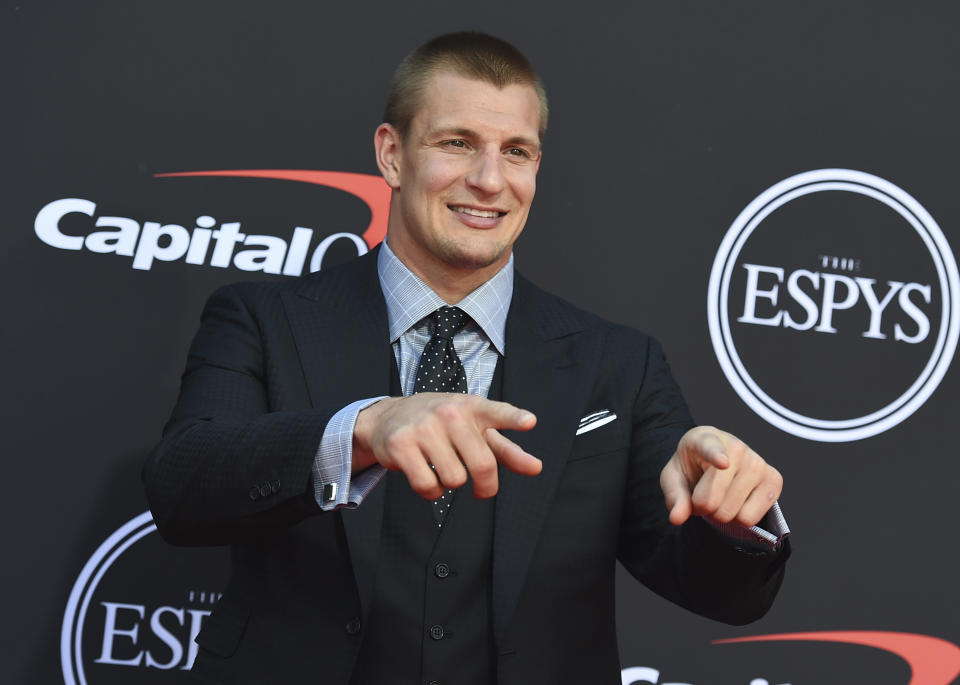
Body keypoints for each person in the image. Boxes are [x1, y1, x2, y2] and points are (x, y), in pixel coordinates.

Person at [143, 31, 790, 685]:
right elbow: (182, 490)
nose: (488, 181)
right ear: (392, 155)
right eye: (457, 143)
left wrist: (728, 513)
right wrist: (363, 429)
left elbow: (722, 592)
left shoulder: (618, 362)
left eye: (516, 152)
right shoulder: (263, 319)